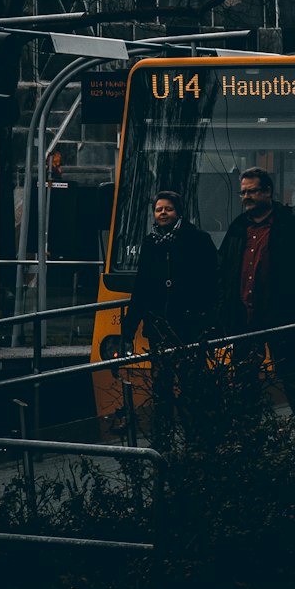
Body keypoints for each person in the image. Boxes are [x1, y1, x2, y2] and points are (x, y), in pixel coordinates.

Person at [218, 166, 295, 420]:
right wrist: (223, 310)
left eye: (252, 191)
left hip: (281, 317)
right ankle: (250, 429)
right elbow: (223, 271)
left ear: (267, 192)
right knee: (245, 376)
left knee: (288, 370)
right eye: (243, 192)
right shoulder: (237, 229)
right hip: (243, 318)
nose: (246, 197)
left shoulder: (291, 227)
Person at [121, 191, 218, 447]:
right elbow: (141, 288)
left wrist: (206, 318)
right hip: (159, 327)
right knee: (161, 388)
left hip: (189, 326)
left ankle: (196, 437)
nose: (162, 213)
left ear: (179, 212)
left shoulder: (198, 240)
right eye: (158, 209)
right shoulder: (151, 243)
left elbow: (212, 282)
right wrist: (129, 329)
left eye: (168, 209)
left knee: (191, 385)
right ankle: (162, 439)